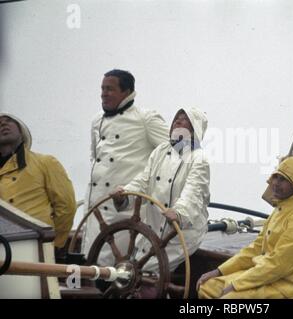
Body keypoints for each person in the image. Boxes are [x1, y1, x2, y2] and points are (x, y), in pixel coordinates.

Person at [196, 157, 293, 299]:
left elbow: (277, 265)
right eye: (275, 177)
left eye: (283, 180)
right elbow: (255, 249)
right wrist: (219, 271)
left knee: (230, 298)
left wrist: (237, 284)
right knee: (207, 287)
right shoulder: (280, 210)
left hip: (289, 285)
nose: (275, 183)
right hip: (265, 276)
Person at [82, 69, 169, 265]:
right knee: (90, 262)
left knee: (113, 268)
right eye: (102, 88)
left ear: (127, 91)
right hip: (95, 207)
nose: (104, 93)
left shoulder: (146, 118)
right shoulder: (97, 120)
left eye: (110, 89)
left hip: (123, 211)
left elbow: (175, 153)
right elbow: (95, 158)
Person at [111, 107, 210, 272]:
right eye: (176, 117)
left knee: (144, 271)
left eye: (184, 119)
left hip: (181, 234)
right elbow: (143, 181)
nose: (177, 120)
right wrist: (125, 193)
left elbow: (193, 192)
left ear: (195, 128)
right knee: (135, 268)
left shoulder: (199, 159)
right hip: (153, 227)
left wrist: (179, 212)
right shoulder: (161, 151)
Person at [0, 113, 76, 249]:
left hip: (36, 246)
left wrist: (53, 244)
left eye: (8, 121)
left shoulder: (45, 162)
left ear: (21, 132)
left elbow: (66, 207)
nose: (3, 124)